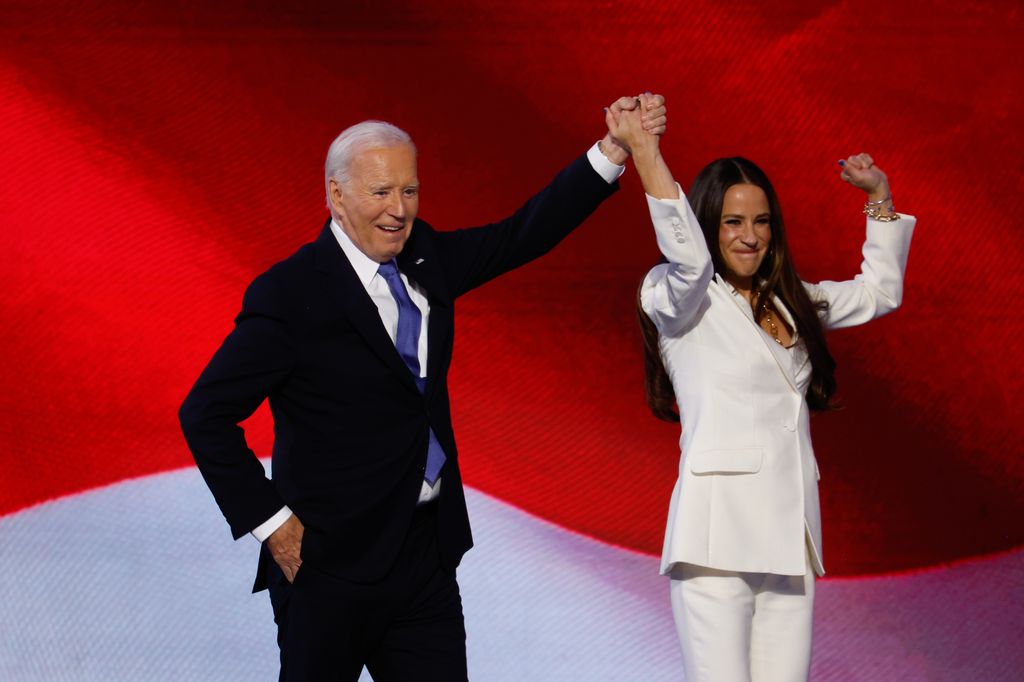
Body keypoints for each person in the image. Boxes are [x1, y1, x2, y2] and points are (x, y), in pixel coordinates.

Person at [178, 97, 666, 682]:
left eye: (409, 191)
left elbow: (522, 234)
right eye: (381, 192)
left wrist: (612, 151)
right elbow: (205, 413)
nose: (398, 210)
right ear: (336, 195)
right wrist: (273, 523)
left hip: (423, 561)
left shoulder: (428, 257)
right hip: (327, 563)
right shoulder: (291, 293)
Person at [606, 102, 915, 681]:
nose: (750, 237)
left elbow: (880, 292)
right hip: (715, 545)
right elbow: (691, 265)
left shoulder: (790, 299)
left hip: (788, 540)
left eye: (761, 221)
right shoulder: (675, 297)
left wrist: (879, 194)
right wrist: (647, 156)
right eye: (732, 222)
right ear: (705, 225)